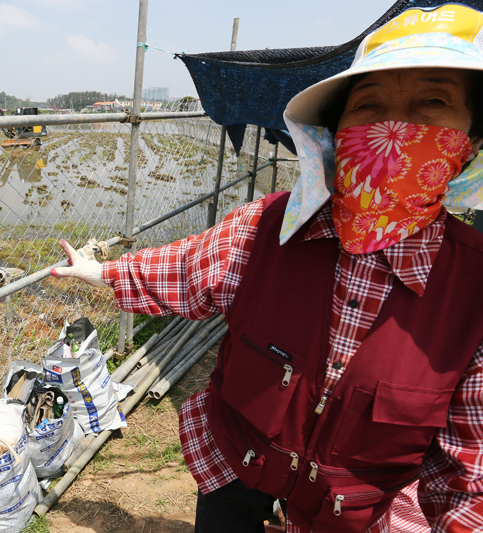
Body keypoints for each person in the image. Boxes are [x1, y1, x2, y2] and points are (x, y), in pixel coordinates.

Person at [51, 4, 483, 532]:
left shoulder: (474, 291)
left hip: (351, 514)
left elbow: (467, 480)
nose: (393, 130)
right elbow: (187, 270)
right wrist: (100, 272)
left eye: (431, 103)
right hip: (237, 462)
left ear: (471, 144)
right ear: (333, 135)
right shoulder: (264, 228)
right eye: (368, 107)